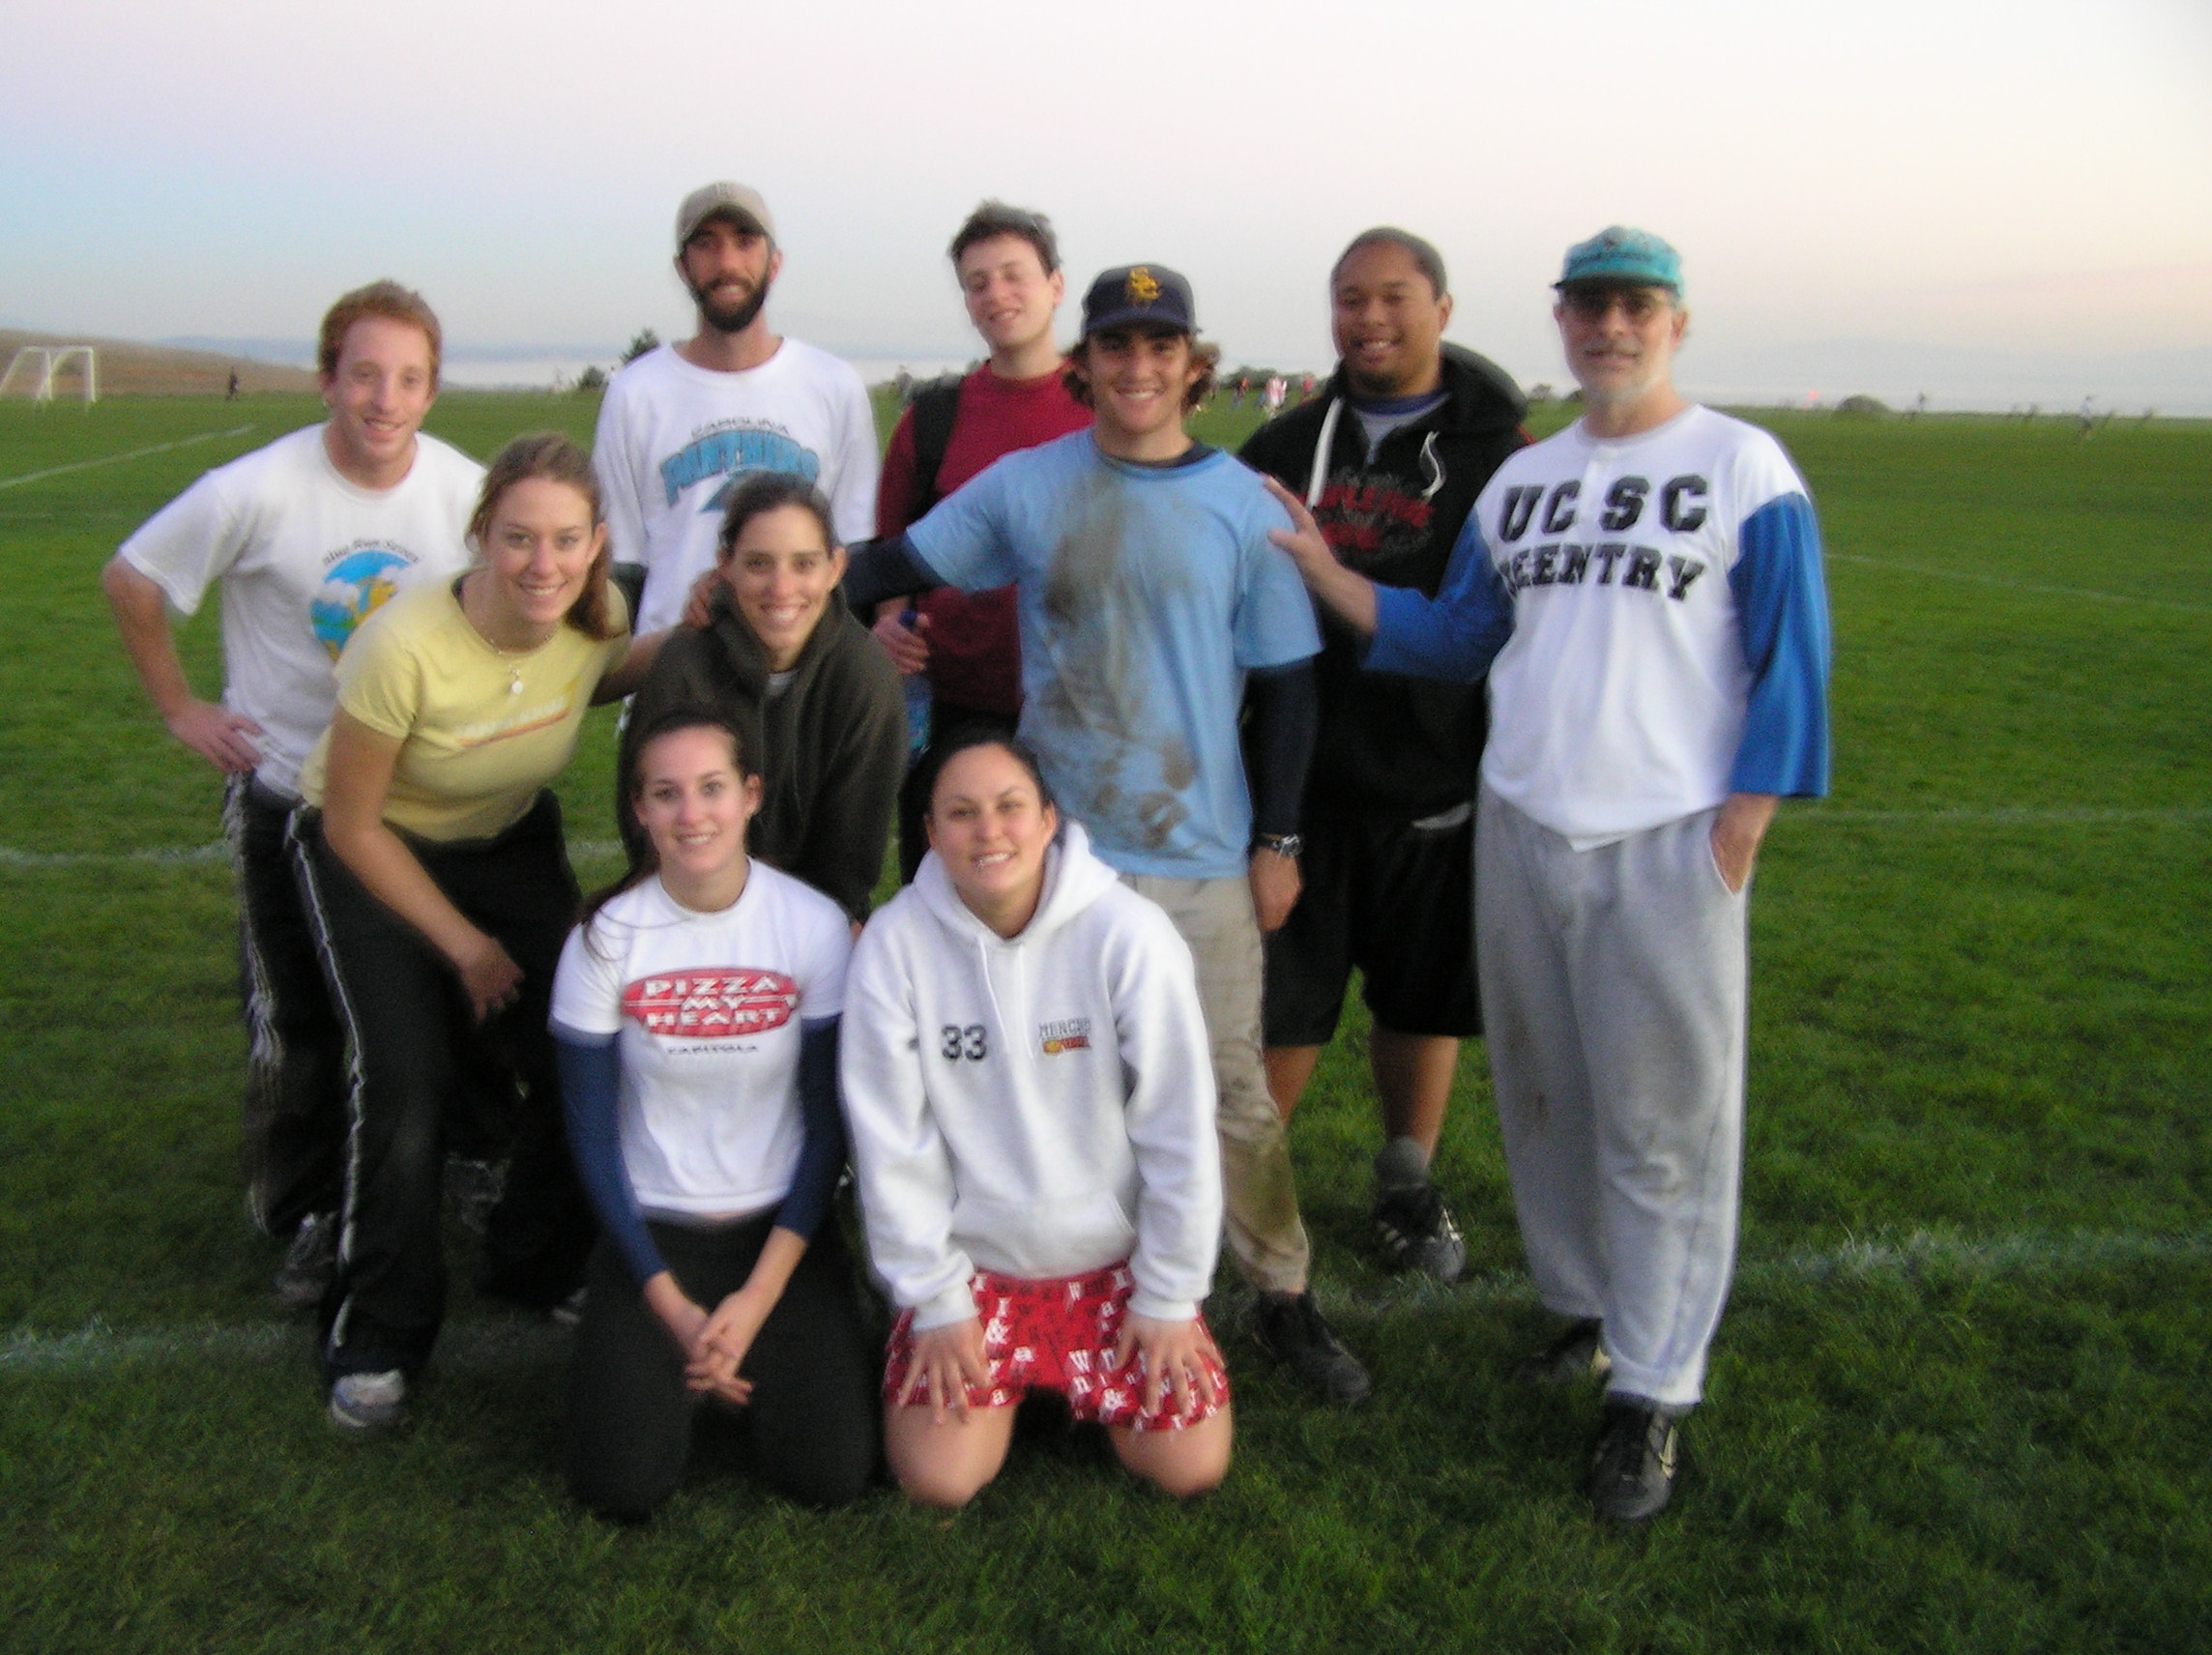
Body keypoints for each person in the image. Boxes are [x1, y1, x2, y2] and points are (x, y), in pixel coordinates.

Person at [1270, 226, 1831, 1523]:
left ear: (1675, 323)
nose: (1611, 330)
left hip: (1665, 838)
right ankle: (1583, 1311)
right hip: (1521, 829)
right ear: (1561, 323)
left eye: (1636, 308)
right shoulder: (1525, 482)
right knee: (1546, 1101)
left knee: (1663, 1125)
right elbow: (1457, 637)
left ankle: (1655, 1390)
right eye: (1589, 309)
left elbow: (1790, 661)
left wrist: (1742, 822)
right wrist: (1321, 569)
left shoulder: (1743, 466)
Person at [840, 265, 1374, 1407]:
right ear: (1083, 363)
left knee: (1228, 1090)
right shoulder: (1025, 485)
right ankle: (1022, 1285)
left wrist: (1276, 840)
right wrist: (765, 581)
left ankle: (1282, 1292)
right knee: (1051, 1083)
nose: (1138, 367)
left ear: (1193, 362)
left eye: (1159, 345)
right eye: (1116, 346)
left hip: (1195, 849)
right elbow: (895, 567)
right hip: (1051, 862)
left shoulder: (1243, 505)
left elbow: (1287, 688)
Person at [102, 280, 480, 1308]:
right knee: (297, 1014)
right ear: (326, 378)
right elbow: (133, 578)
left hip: (411, 806)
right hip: (285, 798)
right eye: (363, 373)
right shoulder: (255, 489)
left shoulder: (461, 493)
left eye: (407, 378)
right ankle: (304, 1211)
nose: (383, 398)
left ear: (431, 390)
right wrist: (182, 707)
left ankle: (441, 1170)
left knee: (422, 1003)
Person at [289, 433, 664, 1432]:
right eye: (517, 538)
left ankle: (532, 1255)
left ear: (594, 544)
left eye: (565, 539)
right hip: (377, 852)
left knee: (584, 1041)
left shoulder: (597, 615)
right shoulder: (401, 644)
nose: (542, 563)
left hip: (506, 844)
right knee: (404, 1077)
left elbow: (605, 670)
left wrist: (713, 622)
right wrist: (463, 947)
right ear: (479, 535)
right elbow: (349, 824)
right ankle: (374, 1333)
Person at [1239, 228, 1528, 1282]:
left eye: (1392, 297)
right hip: (1299, 785)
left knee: (1417, 1003)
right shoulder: (1281, 446)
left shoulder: (1503, 456)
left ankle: (1408, 1183)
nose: (1368, 318)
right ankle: (1248, 1203)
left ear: (1441, 308)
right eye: (1348, 299)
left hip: (1434, 780)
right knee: (1279, 1015)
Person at [841, 733, 1233, 1505]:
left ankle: (1079, 1385)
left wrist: (1168, 1294)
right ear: (930, 834)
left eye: (1009, 807)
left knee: (1190, 1471)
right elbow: (891, 1145)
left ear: (1051, 820)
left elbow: (1179, 1128)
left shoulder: (1128, 934)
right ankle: (1024, 1391)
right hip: (977, 1271)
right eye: (961, 813)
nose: (989, 832)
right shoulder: (895, 945)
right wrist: (936, 1299)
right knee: (937, 1482)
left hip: (1116, 1267)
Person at [552, 709, 878, 1519]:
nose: (691, 814)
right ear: (640, 810)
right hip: (654, 1237)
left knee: (829, 1476)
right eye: (666, 794)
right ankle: (688, 1367)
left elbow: (826, 1125)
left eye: (711, 789)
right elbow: (591, 1138)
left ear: (750, 796)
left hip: (780, 1234)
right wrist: (670, 1302)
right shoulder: (603, 940)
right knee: (620, 1490)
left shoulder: (808, 925)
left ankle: (743, 1365)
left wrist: (758, 1296)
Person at [871, 201, 1091, 880]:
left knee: (1068, 913)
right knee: (947, 902)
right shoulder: (935, 419)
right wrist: (885, 624)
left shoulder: (1106, 408)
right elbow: (889, 554)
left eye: (1013, 275)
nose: (996, 294)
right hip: (956, 707)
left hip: (1081, 710)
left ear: (1055, 285)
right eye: (977, 282)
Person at [594, 182, 878, 634]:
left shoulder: (834, 386)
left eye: (745, 243)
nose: (727, 264)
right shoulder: (635, 393)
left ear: (775, 262)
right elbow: (622, 566)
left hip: (798, 683)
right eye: (706, 245)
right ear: (682, 268)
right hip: (675, 675)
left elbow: (853, 552)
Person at [622, 473, 902, 928]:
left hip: (814, 917)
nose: (782, 588)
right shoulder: (684, 664)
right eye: (758, 564)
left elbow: (849, 862)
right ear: (724, 567)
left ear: (835, 568)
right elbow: (644, 822)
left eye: (804, 564)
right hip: (686, 904)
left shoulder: (866, 675)